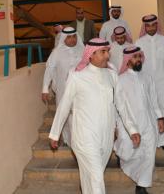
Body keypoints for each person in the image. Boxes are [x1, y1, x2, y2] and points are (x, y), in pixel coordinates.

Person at [49, 38, 141, 194]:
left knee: (90, 179)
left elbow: (122, 105)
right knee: (97, 179)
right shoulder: (77, 77)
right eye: (102, 52)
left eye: (107, 52)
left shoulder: (112, 75)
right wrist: (55, 133)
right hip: (84, 137)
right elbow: (64, 106)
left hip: (106, 137)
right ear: (90, 55)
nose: (107, 56)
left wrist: (132, 129)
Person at [114, 46, 164, 194]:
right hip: (129, 123)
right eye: (135, 57)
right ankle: (119, 152)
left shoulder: (147, 77)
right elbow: (117, 105)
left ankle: (141, 186)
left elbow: (154, 100)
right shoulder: (120, 80)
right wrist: (116, 125)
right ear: (127, 60)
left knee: (149, 153)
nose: (139, 59)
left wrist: (160, 117)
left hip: (149, 122)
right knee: (128, 152)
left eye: (139, 56)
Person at [135, 14, 164, 158]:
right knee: (148, 111)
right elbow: (135, 63)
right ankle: (151, 142)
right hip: (146, 83)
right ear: (144, 27)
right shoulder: (139, 42)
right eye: (147, 26)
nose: (150, 28)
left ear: (157, 25)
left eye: (153, 25)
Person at [42, 27, 84, 146]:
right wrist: (45, 89)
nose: (72, 40)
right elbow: (49, 69)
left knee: (78, 115)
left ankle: (77, 141)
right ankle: (68, 139)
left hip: (80, 90)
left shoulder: (83, 50)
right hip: (63, 89)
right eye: (69, 37)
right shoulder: (56, 52)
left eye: (74, 36)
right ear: (64, 38)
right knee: (64, 114)